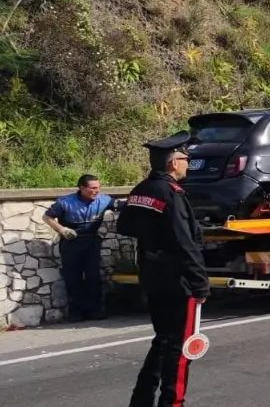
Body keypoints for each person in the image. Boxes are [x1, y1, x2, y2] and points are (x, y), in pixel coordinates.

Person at [119, 131, 211, 407]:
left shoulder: (141, 189)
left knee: (162, 340)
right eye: (185, 158)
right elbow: (186, 244)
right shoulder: (172, 194)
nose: (188, 162)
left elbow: (124, 226)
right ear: (173, 162)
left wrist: (152, 237)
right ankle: (173, 402)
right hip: (177, 279)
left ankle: (141, 400)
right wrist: (200, 283)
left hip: (151, 274)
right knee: (181, 348)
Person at [41, 174, 116, 322]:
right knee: (73, 278)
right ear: (82, 188)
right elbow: (46, 217)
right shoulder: (65, 202)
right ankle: (76, 313)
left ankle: (95, 311)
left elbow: (124, 207)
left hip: (91, 243)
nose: (96, 191)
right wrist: (62, 230)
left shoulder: (104, 200)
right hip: (71, 244)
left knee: (93, 277)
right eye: (93, 188)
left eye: (98, 188)